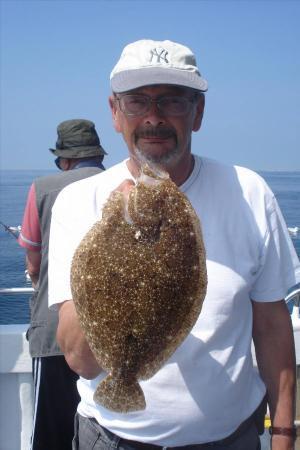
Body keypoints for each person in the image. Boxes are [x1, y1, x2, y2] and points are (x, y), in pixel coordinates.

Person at [48, 40, 300, 450]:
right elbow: (81, 361)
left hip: (232, 439)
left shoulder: (250, 192)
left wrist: (284, 433)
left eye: (172, 101)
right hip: (110, 438)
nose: (153, 117)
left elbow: (272, 327)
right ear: (114, 112)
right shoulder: (78, 203)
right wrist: (107, 244)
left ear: (197, 113)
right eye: (136, 102)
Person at [19, 118, 106, 450]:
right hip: (111, 335)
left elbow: (33, 264)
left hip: (56, 333)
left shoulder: (42, 188)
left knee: (50, 437)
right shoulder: (127, 184)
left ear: (65, 159)